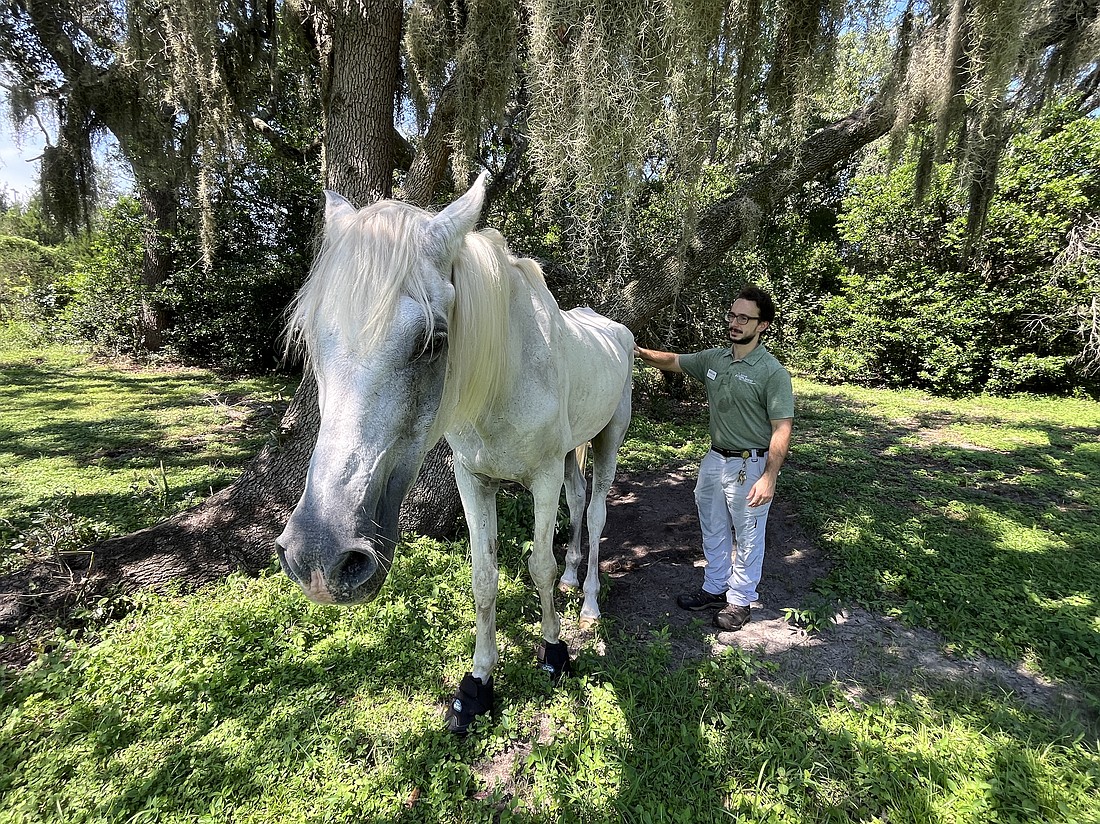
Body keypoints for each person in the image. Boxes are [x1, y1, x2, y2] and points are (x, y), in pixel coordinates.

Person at [633, 284, 794, 631]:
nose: (735, 323)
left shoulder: (772, 372)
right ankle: (715, 587)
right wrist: (633, 350)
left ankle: (740, 599)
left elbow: (782, 428)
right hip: (714, 460)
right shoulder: (714, 358)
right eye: (732, 315)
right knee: (713, 526)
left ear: (762, 325)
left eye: (744, 318)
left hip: (750, 465)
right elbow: (674, 361)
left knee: (748, 533)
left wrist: (769, 476)